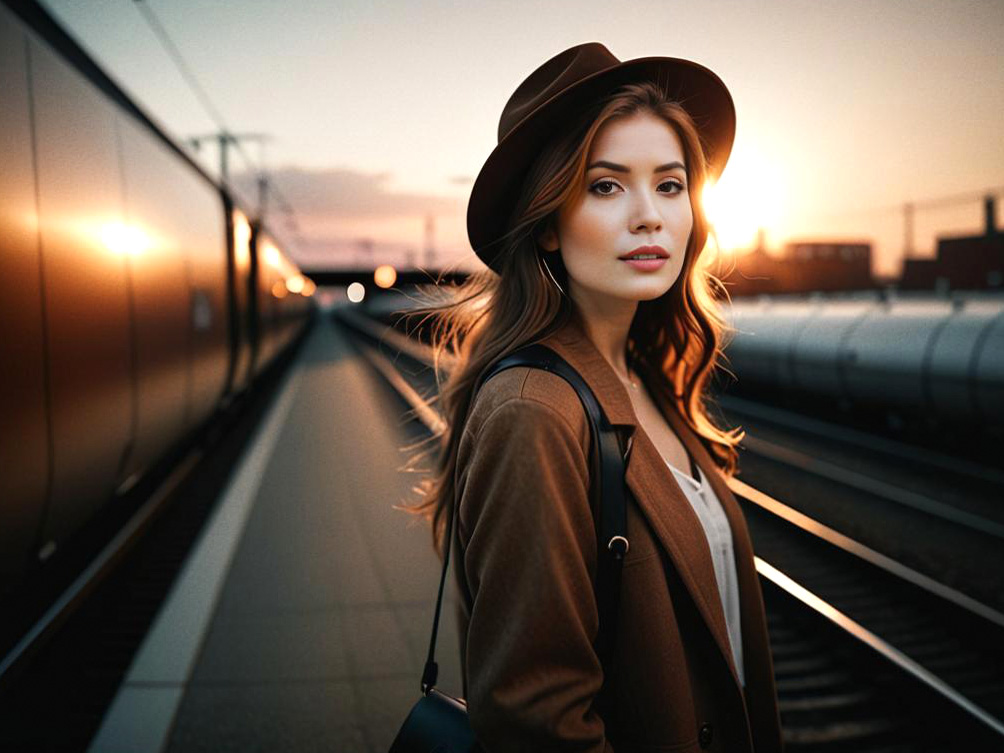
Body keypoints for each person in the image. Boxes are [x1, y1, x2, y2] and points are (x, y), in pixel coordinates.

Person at [403, 43, 783, 752]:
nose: (650, 216)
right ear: (548, 221)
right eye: (607, 186)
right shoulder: (534, 411)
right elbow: (534, 720)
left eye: (670, 185)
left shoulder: (645, 379)